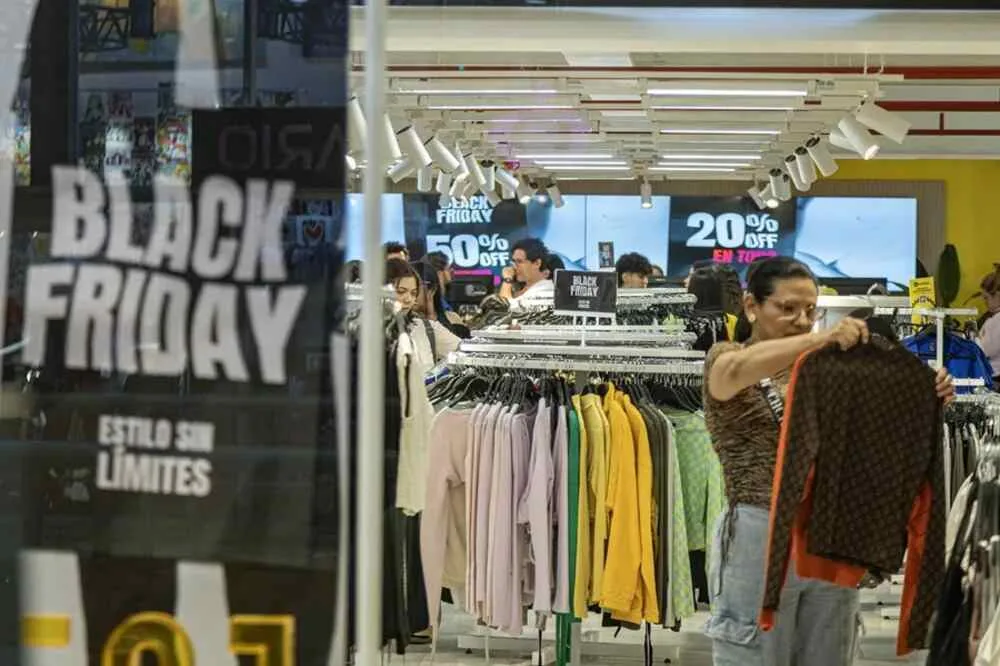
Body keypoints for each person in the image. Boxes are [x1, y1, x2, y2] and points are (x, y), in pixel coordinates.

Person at [702, 256, 954, 666]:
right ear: (751, 306)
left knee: (830, 654)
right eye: (787, 309)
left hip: (830, 533)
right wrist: (819, 339)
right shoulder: (726, 357)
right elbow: (733, 372)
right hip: (757, 530)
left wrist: (929, 393)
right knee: (751, 653)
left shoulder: (833, 369)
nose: (802, 320)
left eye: (810, 311)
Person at [386, 259, 461, 362]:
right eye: (401, 292)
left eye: (413, 293)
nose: (408, 299)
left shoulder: (426, 328)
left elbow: (466, 353)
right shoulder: (363, 334)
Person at [500, 238, 555, 310]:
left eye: (519, 262)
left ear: (537, 263)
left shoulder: (546, 291)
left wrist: (507, 280)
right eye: (514, 261)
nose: (514, 266)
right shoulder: (523, 289)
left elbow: (503, 310)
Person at [977, 264, 1000, 381]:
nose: (984, 302)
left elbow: (984, 350)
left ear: (997, 295)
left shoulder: (996, 321)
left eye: (986, 298)